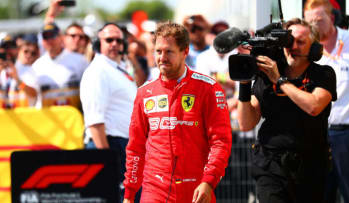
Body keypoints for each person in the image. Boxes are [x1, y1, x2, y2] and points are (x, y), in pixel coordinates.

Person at [123, 21, 232, 203]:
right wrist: (129, 194)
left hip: (196, 189)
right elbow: (136, 147)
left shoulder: (208, 88)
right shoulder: (144, 92)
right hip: (154, 190)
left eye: (169, 51)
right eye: (158, 51)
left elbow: (220, 141)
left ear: (185, 52)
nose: (162, 57)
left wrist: (209, 181)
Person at [237, 18, 337, 203]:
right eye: (290, 41)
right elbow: (246, 123)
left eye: (301, 42)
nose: (294, 47)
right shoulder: (267, 76)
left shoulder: (323, 74)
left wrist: (279, 80)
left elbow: (313, 106)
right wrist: (244, 84)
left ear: (314, 48)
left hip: (311, 167)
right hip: (271, 164)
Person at [304, 1, 349, 203]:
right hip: (317, 134)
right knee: (320, 193)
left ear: (332, 18)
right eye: (309, 21)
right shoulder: (306, 49)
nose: (314, 25)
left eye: (319, 20)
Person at [80, 23, 138, 202]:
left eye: (119, 40)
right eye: (109, 40)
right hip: (109, 146)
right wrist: (107, 160)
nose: (114, 44)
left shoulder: (117, 69)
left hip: (123, 146)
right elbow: (94, 120)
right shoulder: (97, 71)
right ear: (99, 43)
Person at [32, 22, 88, 108]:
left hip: (74, 117)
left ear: (61, 37)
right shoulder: (37, 65)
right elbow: (34, 97)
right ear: (42, 41)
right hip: (49, 118)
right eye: (46, 37)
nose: (50, 40)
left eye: (53, 36)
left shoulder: (80, 60)